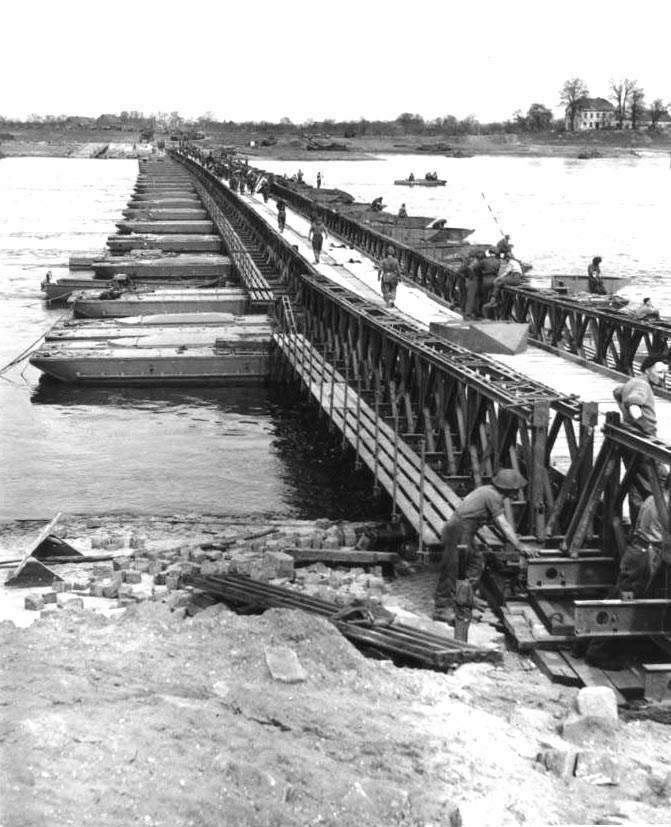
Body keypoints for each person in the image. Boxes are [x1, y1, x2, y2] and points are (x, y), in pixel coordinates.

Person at [433, 469, 537, 624]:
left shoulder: (488, 491)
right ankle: (442, 609)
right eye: (516, 490)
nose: (517, 493)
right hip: (458, 530)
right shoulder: (493, 496)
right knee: (451, 569)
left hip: (464, 530)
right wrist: (520, 546)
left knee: (476, 563)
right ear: (508, 489)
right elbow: (502, 524)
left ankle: (464, 599)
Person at [613, 354, 667, 438]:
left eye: (664, 373)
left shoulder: (634, 381)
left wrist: (624, 409)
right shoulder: (642, 385)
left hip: (630, 430)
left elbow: (617, 392)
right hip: (643, 435)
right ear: (647, 371)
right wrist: (647, 428)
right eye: (659, 372)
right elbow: (633, 404)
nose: (662, 376)